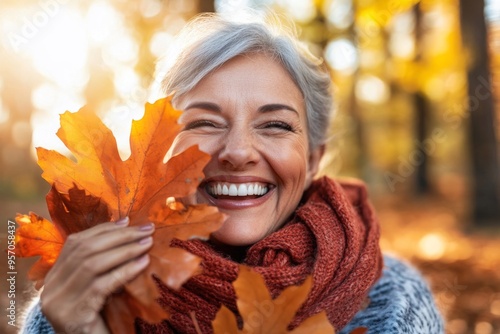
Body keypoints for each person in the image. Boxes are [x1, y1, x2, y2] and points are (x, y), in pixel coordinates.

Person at [22, 12, 444, 334]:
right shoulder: (76, 298)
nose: (238, 152)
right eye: (204, 123)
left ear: (314, 159)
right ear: (159, 149)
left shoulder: (395, 305)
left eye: (275, 124)